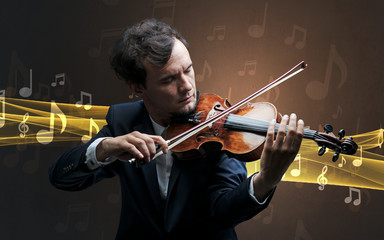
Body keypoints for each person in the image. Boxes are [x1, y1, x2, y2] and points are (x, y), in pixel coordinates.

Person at [49, 18, 304, 239]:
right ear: (138, 88)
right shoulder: (123, 121)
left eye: (188, 70)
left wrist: (267, 178)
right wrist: (105, 148)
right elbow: (61, 176)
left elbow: (224, 211)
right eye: (169, 79)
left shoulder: (217, 129)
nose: (186, 87)